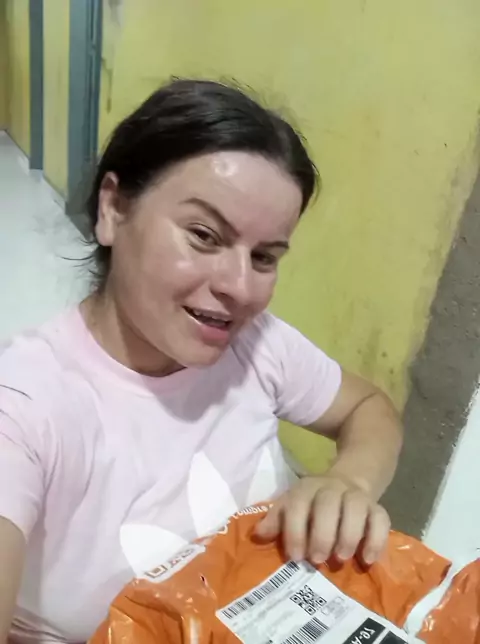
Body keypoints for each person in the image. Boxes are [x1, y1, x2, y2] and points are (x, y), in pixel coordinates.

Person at [0, 79, 403, 644]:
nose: (239, 287)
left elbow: (368, 408)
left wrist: (348, 482)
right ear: (113, 208)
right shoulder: (25, 406)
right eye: (204, 236)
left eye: (264, 257)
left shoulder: (257, 345)